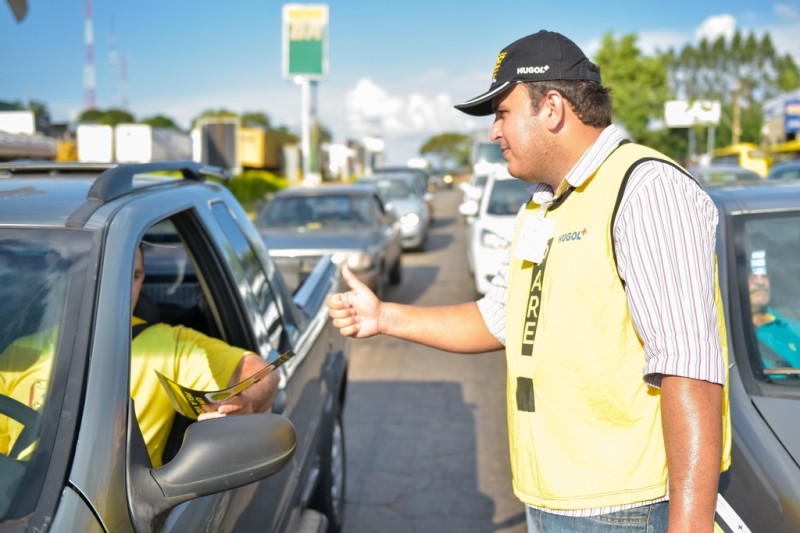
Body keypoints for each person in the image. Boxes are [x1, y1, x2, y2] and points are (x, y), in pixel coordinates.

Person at [327, 30, 730, 532]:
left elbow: (689, 370)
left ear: (553, 107)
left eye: (502, 112)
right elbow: (498, 319)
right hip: (555, 499)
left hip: (627, 508)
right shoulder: (545, 203)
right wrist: (384, 316)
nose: (494, 132)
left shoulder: (645, 189)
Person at [0, 244, 279, 467]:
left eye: (133, 276)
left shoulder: (169, 344)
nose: (123, 289)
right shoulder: (19, 355)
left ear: (142, 279)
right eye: (108, 274)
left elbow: (258, 371)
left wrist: (245, 404)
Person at [748, 248, 800, 372]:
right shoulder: (722, 334)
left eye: (764, 275)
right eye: (752, 274)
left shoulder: (794, 326)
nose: (760, 282)